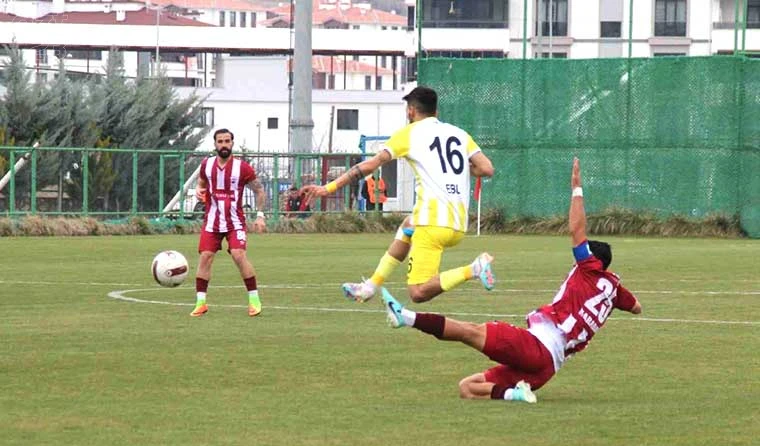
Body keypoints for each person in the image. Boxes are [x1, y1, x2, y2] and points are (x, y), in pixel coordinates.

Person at [380, 158, 643, 403]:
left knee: (468, 331)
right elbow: (636, 307)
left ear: (593, 261)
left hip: (536, 347)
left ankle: (405, 317)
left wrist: (577, 189)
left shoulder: (589, 267)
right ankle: (514, 395)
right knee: (467, 387)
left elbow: (577, 230)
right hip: (547, 368)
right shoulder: (615, 290)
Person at [303, 86, 496, 304]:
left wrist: (328, 188)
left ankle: (473, 269)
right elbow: (487, 168)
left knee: (418, 292)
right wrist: (457, 170)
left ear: (411, 111)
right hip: (458, 223)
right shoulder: (459, 134)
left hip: (432, 223)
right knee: (407, 226)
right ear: (436, 111)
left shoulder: (409, 134)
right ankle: (370, 287)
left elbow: (370, 165)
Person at [190, 128, 268, 318]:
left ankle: (254, 300)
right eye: (220, 141)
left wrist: (259, 215)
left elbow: (259, 190)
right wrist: (199, 190)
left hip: (234, 222)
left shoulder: (242, 167)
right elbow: (201, 182)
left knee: (238, 255)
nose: (224, 145)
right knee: (205, 257)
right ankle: (201, 303)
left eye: (227, 141)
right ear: (215, 144)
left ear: (232, 143)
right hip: (212, 221)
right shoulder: (206, 165)